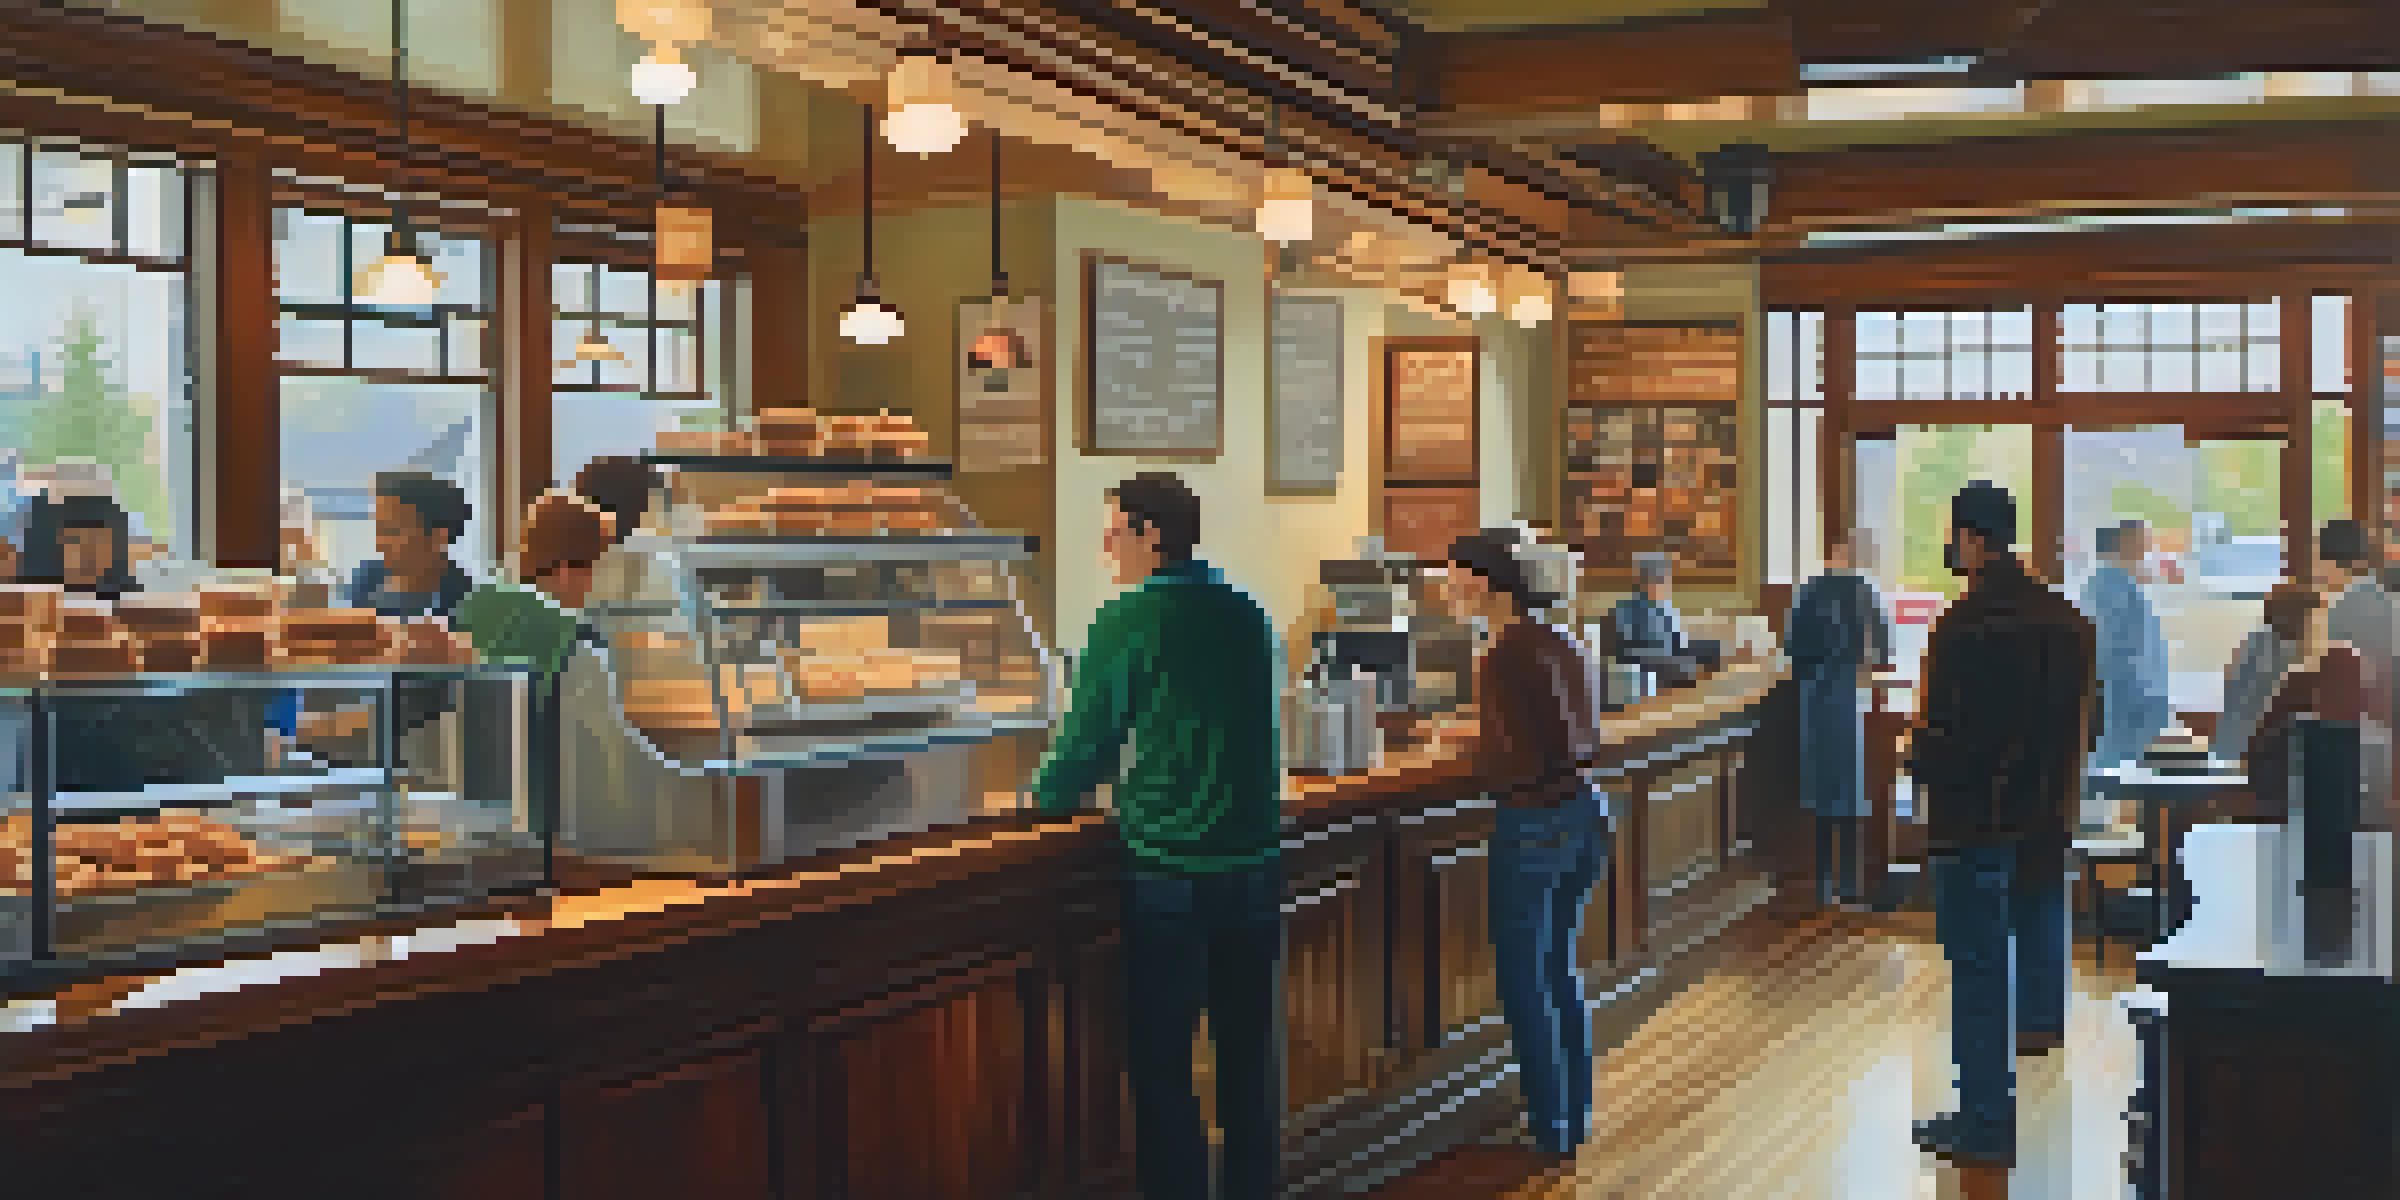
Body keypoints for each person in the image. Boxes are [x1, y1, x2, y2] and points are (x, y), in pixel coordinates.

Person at [1025, 473, 1282, 1200]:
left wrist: (1038, 807)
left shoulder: (1127, 620)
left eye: (1113, 532)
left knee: (1164, 1070)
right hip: (1257, 864)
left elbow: (1084, 747)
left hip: (1172, 869)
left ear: (1149, 534)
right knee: (1247, 1066)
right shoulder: (1247, 614)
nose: (1106, 548)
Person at [1908, 481, 2095, 1168]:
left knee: (1979, 972)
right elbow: (2086, 723)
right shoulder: (2068, 620)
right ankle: (2042, 1033)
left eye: (1956, 535)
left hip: (1977, 823)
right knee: (2039, 934)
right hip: (2045, 817)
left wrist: (1915, 752)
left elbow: (1962, 743)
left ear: (1973, 539)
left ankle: (1985, 1120)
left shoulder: (1965, 625)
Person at [1446, 530, 1604, 1158]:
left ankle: (1549, 1127)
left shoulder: (1502, 653)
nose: (1448, 589)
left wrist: (1469, 746)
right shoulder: (1563, 639)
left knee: (1525, 983)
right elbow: (1568, 733)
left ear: (1485, 583)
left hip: (1533, 823)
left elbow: (1516, 758)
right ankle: (1574, 1113)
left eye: (1454, 577)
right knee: (1559, 971)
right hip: (1585, 815)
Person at [1785, 529, 1892, 909]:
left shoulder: (1810, 591)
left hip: (1814, 698)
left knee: (1820, 791)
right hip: (1853, 698)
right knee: (1852, 792)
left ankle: (1822, 882)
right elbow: (1885, 645)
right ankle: (1850, 882)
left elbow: (1792, 647)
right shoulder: (1865, 592)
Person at [452, 493, 614, 680]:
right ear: (566, 569)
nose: (602, 579)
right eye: (601, 563)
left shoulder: (475, 601)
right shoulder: (576, 638)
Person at [2319, 519, 2395, 822]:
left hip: (2359, 728)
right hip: (2384, 727)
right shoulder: (2386, 601)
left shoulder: (2343, 609)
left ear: (2328, 559)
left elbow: (2338, 678)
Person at [345, 471, 475, 619]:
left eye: (393, 531)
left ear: (439, 537)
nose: (380, 544)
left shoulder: (468, 599)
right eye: (380, 530)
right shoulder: (367, 580)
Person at [2214, 581, 2317, 765]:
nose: (2307, 622)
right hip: (2250, 756)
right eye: (2305, 615)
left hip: (2233, 750)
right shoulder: (2281, 653)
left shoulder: (2257, 641)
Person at [20, 492, 140, 599]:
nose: (86, 552)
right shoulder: (34, 599)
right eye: (75, 540)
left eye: (97, 541)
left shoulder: (130, 605)